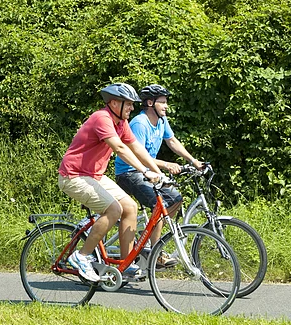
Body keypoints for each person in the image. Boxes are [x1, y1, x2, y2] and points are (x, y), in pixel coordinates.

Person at [58, 82, 164, 283]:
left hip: (94, 175)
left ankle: (125, 264)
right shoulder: (102, 118)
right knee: (114, 210)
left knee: (130, 207)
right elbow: (120, 149)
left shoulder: (121, 123)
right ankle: (81, 257)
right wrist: (145, 171)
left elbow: (137, 148)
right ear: (115, 103)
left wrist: (158, 172)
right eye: (129, 104)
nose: (133, 108)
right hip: (74, 176)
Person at [114, 84, 204, 264]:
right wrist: (166, 165)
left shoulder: (162, 121)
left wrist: (193, 161)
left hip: (148, 171)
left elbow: (172, 141)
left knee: (175, 199)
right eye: (162, 102)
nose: (166, 106)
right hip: (130, 172)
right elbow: (139, 155)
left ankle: (148, 234)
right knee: (159, 205)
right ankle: (157, 253)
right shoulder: (140, 123)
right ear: (150, 103)